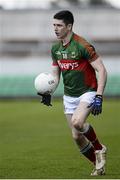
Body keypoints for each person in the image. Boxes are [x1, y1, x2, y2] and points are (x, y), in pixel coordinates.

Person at [38, 10, 107, 176]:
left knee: (77, 122)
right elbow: (55, 76)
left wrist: (98, 96)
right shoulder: (55, 49)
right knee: (77, 137)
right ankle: (98, 165)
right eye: (54, 25)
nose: (55, 28)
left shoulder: (82, 45)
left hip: (88, 92)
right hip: (69, 96)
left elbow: (102, 70)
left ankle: (99, 148)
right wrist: (49, 92)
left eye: (59, 25)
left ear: (69, 26)